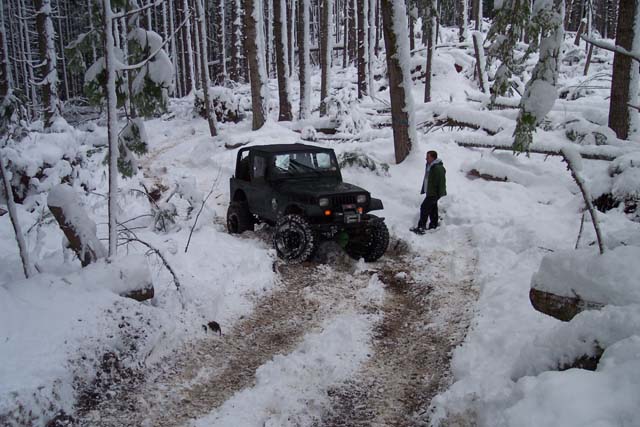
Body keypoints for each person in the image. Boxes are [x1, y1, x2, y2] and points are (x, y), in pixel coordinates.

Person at [411, 150, 446, 234]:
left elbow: (442, 182)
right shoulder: (430, 165)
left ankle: (421, 227)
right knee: (433, 208)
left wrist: (439, 193)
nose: (426, 158)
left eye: (428, 157)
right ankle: (433, 225)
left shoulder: (438, 168)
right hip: (429, 191)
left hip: (434, 193)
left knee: (424, 208)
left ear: (433, 158)